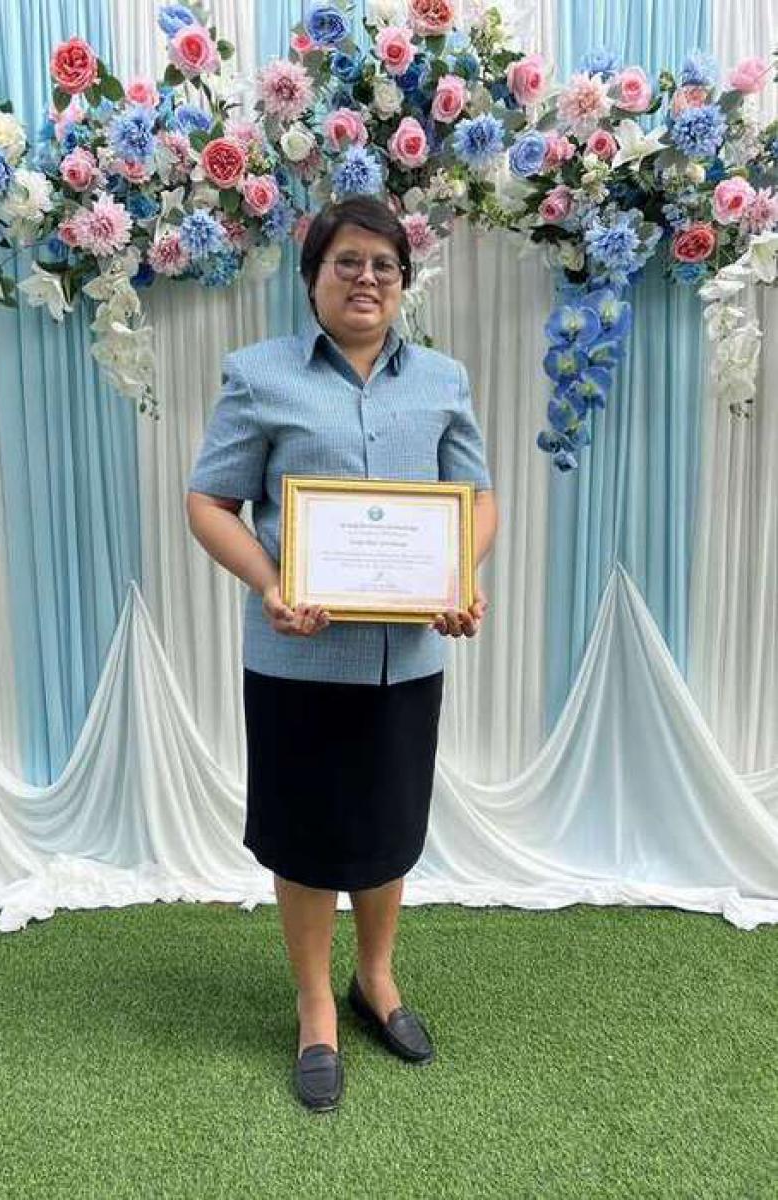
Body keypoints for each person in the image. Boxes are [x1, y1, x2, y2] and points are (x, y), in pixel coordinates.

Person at [186, 195, 498, 1113]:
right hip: (299, 659)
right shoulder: (259, 376)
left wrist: (459, 577)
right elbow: (210, 502)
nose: (367, 279)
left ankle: (377, 978)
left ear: (403, 282)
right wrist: (269, 583)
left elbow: (476, 499)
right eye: (347, 262)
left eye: (384, 266)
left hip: (409, 657)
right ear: (313, 276)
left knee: (388, 824)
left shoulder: (442, 380)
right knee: (309, 833)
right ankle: (316, 1002)